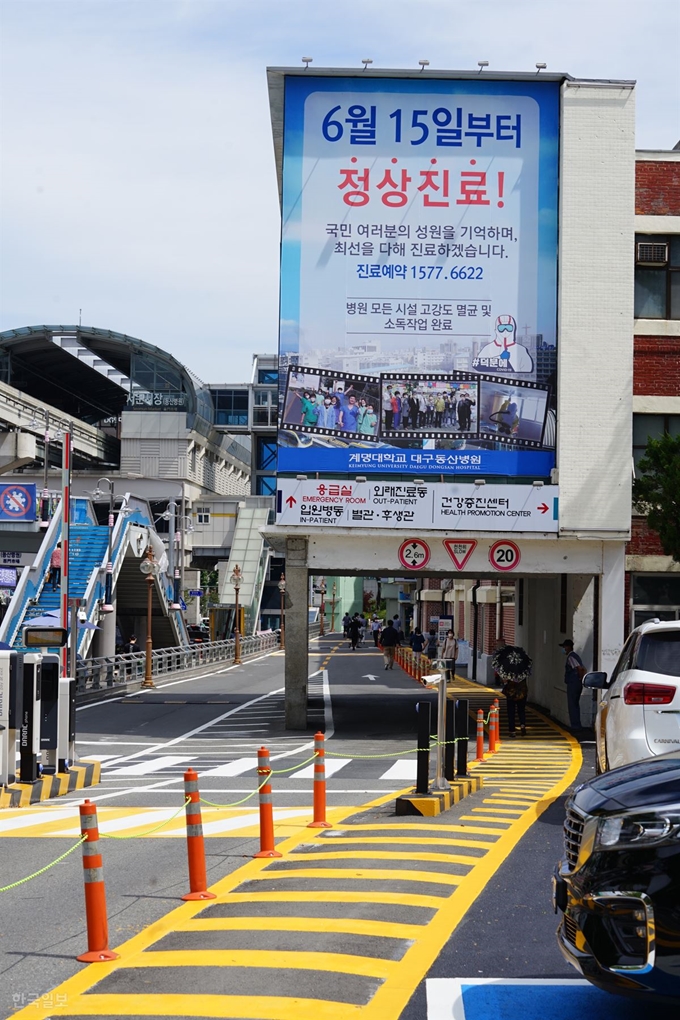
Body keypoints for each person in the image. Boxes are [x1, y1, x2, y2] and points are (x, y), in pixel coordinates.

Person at [492, 643, 533, 737]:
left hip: (511, 693)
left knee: (511, 711)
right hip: (522, 692)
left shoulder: (508, 670)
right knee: (521, 710)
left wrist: (504, 680)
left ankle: (512, 730)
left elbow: (505, 680)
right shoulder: (523, 669)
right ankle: (523, 725)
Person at [560, 639, 586, 730]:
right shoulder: (575, 656)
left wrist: (579, 678)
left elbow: (580, 668)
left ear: (568, 647)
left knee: (572, 704)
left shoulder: (571, 657)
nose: (563, 649)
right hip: (575, 683)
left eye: (564, 647)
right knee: (575, 704)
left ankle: (575, 725)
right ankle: (576, 724)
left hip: (573, 683)